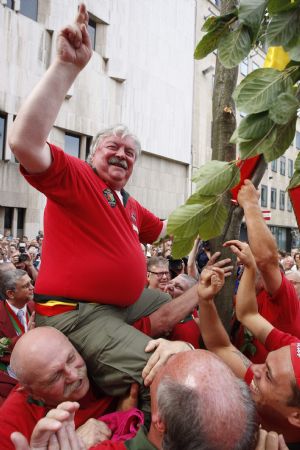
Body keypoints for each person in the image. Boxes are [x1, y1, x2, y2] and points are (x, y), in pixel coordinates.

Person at [0, 326, 190, 450]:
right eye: (56, 376)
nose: (74, 375)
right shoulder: (11, 424)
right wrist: (75, 440)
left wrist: (182, 350)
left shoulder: (103, 362)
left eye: (71, 358)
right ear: (33, 393)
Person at [197, 243, 300, 447]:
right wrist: (205, 301)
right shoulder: (290, 351)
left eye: (269, 376)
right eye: (266, 364)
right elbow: (224, 344)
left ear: (296, 417)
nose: (255, 369)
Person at [233, 180, 300, 363]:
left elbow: (266, 260)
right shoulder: (240, 298)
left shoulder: (284, 301)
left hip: (274, 387)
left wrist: (251, 205)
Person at [0, 269, 35, 404]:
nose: (32, 287)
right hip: (10, 381)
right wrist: (26, 337)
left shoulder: (36, 307)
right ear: (10, 293)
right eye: (26, 286)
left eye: (31, 283)